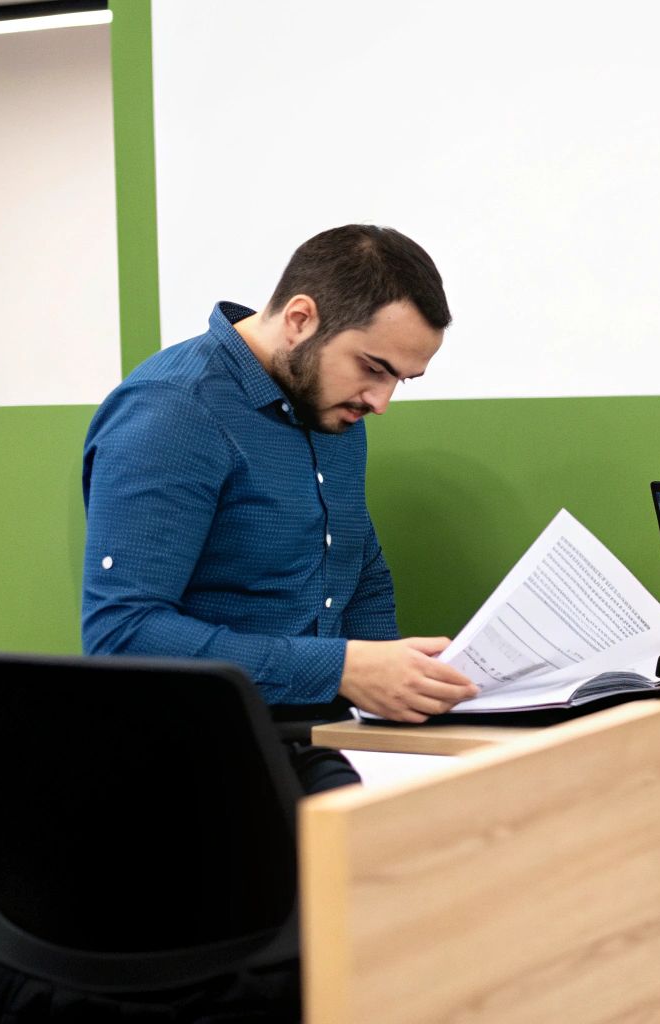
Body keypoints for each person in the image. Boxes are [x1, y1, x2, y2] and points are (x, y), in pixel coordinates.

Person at [80, 225, 479, 794]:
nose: (381, 402)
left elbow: (357, 569)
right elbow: (122, 636)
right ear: (300, 319)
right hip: (200, 752)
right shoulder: (174, 411)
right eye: (373, 367)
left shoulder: (329, 405)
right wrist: (344, 669)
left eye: (401, 379)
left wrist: (399, 688)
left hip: (317, 734)